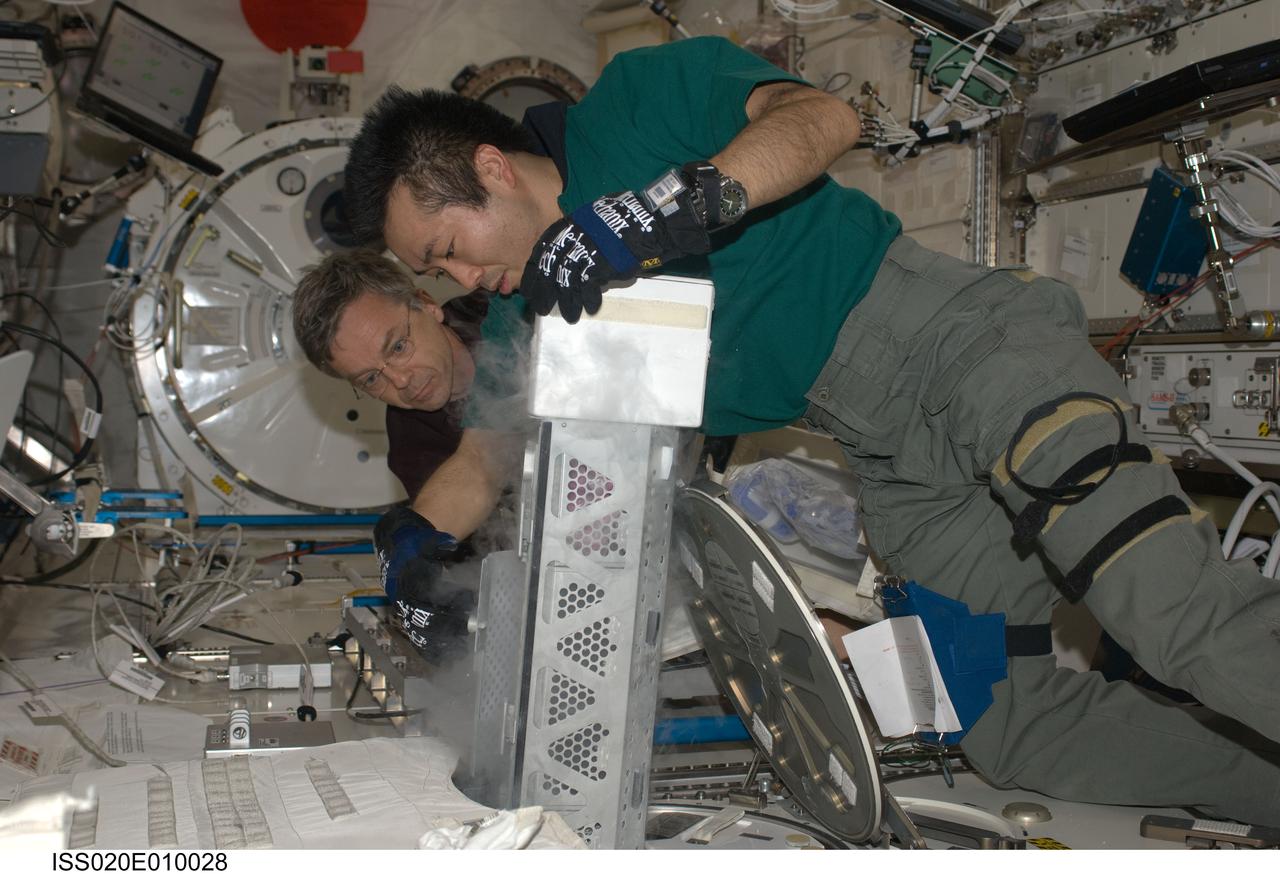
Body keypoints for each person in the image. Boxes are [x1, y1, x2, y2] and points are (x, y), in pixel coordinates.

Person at [332, 36, 1280, 824]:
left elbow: (820, 118)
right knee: (1008, 728)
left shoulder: (634, 104)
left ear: (491, 171)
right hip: (891, 458)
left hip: (974, 356)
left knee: (1169, 614)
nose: (456, 283)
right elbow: (487, 451)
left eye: (445, 250)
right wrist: (411, 545)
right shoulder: (529, 313)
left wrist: (662, 210)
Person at [291, 247, 530, 657]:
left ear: (427, 305)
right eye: (370, 379)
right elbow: (472, 557)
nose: (401, 381)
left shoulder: (509, 309)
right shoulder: (412, 440)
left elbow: (481, 464)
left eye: (397, 347)